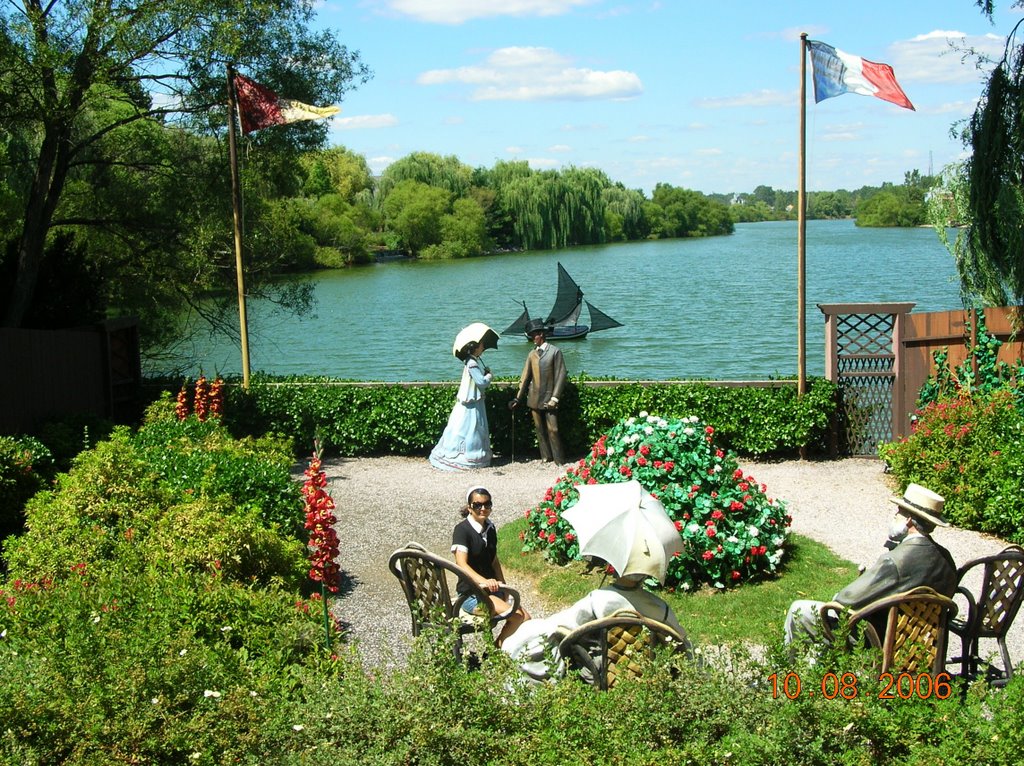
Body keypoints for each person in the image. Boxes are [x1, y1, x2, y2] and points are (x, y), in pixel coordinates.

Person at [784, 483, 958, 649]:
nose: (894, 517)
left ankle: (787, 667)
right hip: (917, 643)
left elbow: (844, 601)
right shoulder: (947, 560)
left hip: (879, 640)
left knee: (799, 610)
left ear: (909, 521)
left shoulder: (894, 561)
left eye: (898, 513)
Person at [501, 570, 692, 684]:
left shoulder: (598, 599)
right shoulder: (660, 608)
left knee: (526, 637)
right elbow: (681, 641)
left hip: (595, 674)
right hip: (644, 674)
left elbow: (562, 625)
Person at [451, 486, 530, 646]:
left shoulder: (490, 528)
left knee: (526, 618)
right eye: (477, 505)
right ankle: (496, 651)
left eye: (487, 504)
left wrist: (504, 587)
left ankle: (497, 649)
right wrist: (485, 582)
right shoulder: (462, 530)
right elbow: (461, 564)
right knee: (517, 616)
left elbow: (494, 560)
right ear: (469, 507)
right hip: (471, 595)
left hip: (492, 590)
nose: (483, 508)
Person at [508, 318, 568, 465]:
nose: (532, 338)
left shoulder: (555, 352)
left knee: (553, 429)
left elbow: (561, 375)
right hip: (534, 399)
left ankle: (559, 460)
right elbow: (525, 378)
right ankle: (545, 457)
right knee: (539, 430)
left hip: (550, 399)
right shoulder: (531, 355)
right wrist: (517, 398)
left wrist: (555, 398)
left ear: (541, 334)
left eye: (533, 335)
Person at [429, 340, 492, 471]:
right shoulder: (472, 363)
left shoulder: (470, 361)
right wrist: (488, 376)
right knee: (471, 426)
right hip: (472, 401)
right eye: (481, 345)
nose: (483, 347)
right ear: (475, 348)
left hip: (472, 399)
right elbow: (481, 383)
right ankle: (469, 455)